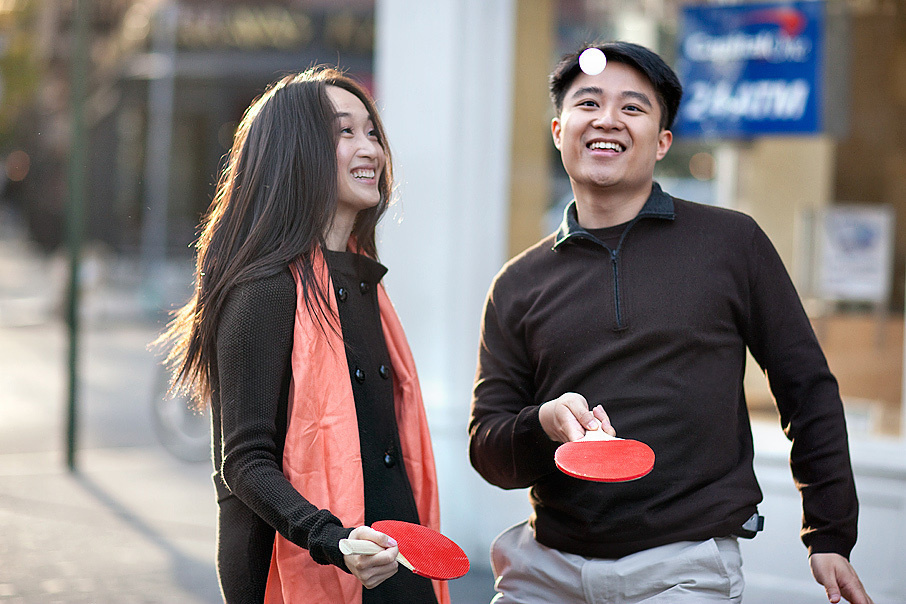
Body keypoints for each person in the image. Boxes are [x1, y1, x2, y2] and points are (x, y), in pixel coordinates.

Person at [468, 41, 873, 604]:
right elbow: (488, 449)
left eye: (632, 108)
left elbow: (806, 389)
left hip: (684, 570)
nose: (607, 119)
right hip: (545, 572)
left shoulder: (732, 243)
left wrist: (828, 532)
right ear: (559, 131)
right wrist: (544, 423)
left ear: (662, 143)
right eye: (588, 103)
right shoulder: (518, 284)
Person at [156, 66, 448, 604]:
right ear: (295, 151)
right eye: (345, 132)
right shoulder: (263, 288)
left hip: (395, 556)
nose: (372, 150)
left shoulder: (362, 280)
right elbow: (243, 460)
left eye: (371, 132)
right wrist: (333, 540)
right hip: (311, 563)